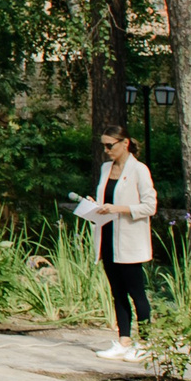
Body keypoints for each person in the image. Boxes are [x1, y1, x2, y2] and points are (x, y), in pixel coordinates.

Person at [74, 125, 155, 361]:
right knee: (117, 292)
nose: (107, 150)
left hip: (129, 240)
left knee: (136, 292)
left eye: (110, 145)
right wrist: (95, 204)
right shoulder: (105, 168)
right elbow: (106, 198)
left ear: (125, 143)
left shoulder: (139, 170)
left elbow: (150, 206)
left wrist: (119, 209)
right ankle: (124, 340)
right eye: (104, 146)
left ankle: (147, 342)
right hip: (107, 237)